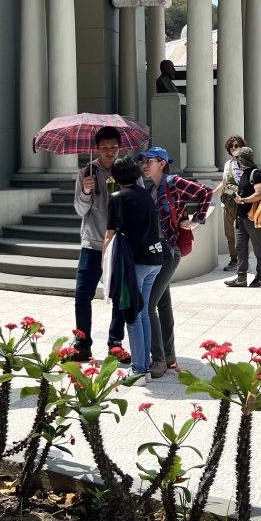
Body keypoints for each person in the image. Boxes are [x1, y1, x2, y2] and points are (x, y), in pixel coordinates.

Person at [138, 146, 211, 378]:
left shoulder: (174, 181)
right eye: (143, 162)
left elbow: (205, 192)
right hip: (155, 252)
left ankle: (158, 359)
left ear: (161, 162)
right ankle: (169, 357)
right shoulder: (151, 189)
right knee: (162, 305)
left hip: (169, 251)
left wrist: (197, 219)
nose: (144, 165)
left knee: (148, 305)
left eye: (148, 161)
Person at [104, 156, 165, 381]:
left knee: (133, 315)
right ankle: (145, 366)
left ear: (116, 176)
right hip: (154, 260)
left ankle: (138, 370)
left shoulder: (117, 197)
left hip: (134, 264)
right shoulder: (146, 194)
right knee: (144, 313)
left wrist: (104, 262)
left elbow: (110, 234)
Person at [73, 125, 127, 362]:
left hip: (119, 245)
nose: (109, 152)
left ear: (120, 147)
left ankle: (115, 343)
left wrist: (124, 189)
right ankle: (83, 344)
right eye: (104, 148)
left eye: (113, 147)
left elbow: (137, 204)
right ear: (97, 149)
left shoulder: (127, 171)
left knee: (119, 297)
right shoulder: (86, 172)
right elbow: (79, 210)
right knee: (82, 296)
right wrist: (86, 192)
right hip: (92, 244)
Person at [225, 146, 261, 288]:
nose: (236, 161)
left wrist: (242, 200)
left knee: (258, 248)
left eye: (238, 158)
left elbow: (259, 194)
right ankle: (241, 278)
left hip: (254, 218)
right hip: (241, 217)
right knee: (240, 247)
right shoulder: (244, 174)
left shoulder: (257, 174)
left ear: (242, 159)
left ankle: (259, 278)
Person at [209, 135, 246, 271]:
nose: (234, 148)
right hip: (228, 202)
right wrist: (211, 194)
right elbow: (224, 183)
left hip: (243, 203)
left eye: (237, 146)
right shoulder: (228, 164)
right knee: (229, 233)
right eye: (232, 146)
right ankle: (234, 259)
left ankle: (244, 261)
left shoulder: (247, 164)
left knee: (242, 233)